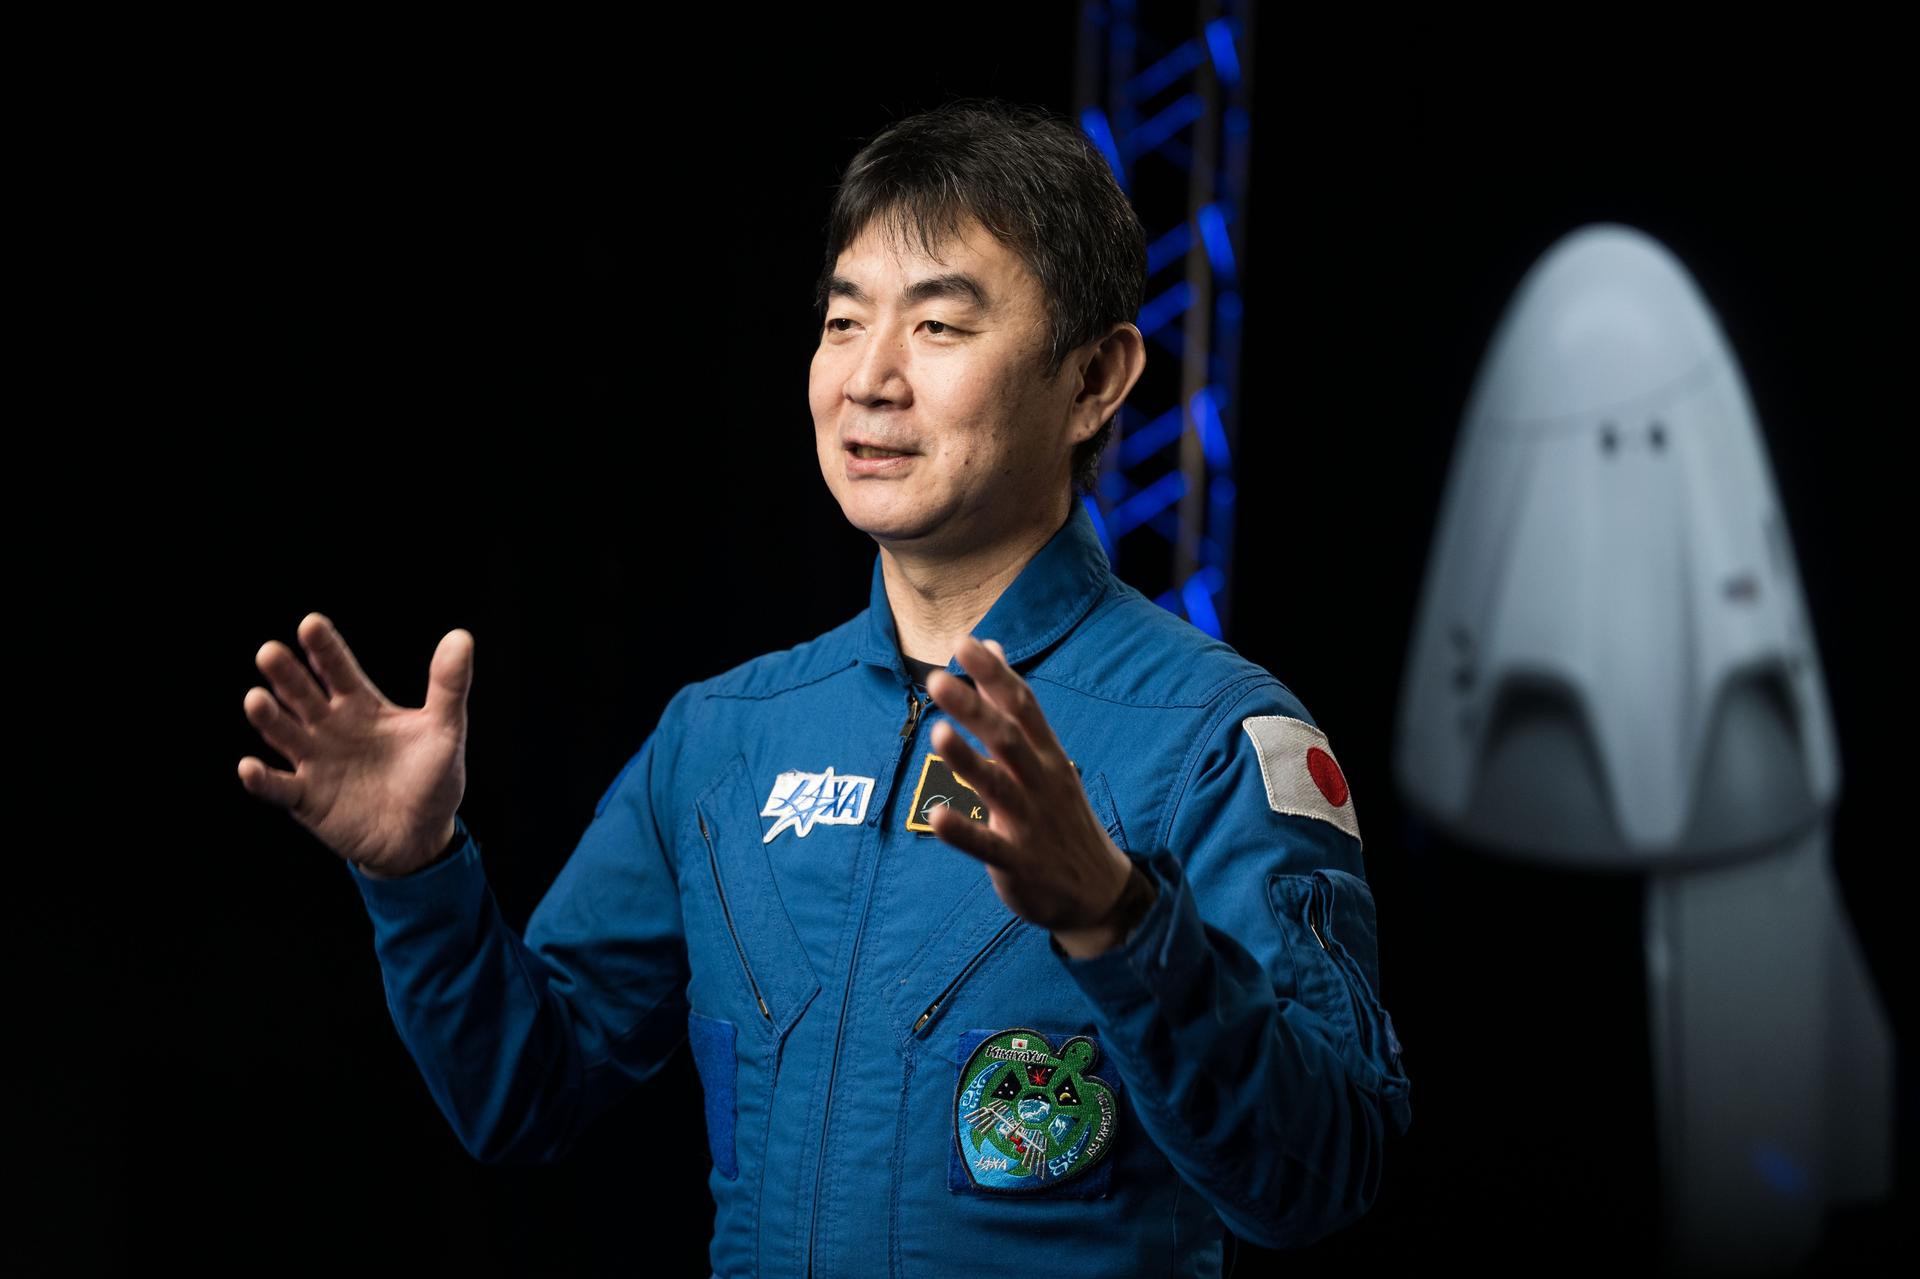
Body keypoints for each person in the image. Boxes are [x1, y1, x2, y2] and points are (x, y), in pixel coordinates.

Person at [237, 99, 1411, 1278]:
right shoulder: (726, 736)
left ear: (1097, 377)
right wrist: (417, 876)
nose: (870, 379)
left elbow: (1324, 1173)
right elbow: (524, 1094)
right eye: (843, 322)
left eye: (941, 326)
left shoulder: (1212, 738)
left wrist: (1119, 919)